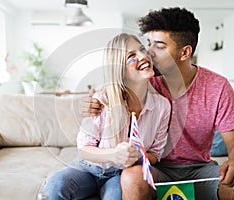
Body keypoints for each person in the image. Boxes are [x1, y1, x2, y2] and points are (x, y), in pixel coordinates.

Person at [81, 7, 234, 200]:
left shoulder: (217, 86)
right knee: (132, 177)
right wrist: (91, 102)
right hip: (156, 170)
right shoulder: (143, 80)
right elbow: (112, 90)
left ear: (184, 53)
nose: (148, 53)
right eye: (148, 44)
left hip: (199, 171)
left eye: (159, 46)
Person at [42, 33, 171, 200]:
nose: (143, 56)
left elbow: (156, 153)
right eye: (131, 56)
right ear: (120, 70)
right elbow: (84, 149)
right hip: (88, 169)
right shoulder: (102, 101)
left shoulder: (162, 106)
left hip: (120, 174)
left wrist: (138, 156)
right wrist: (112, 155)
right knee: (56, 184)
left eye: (142, 50)